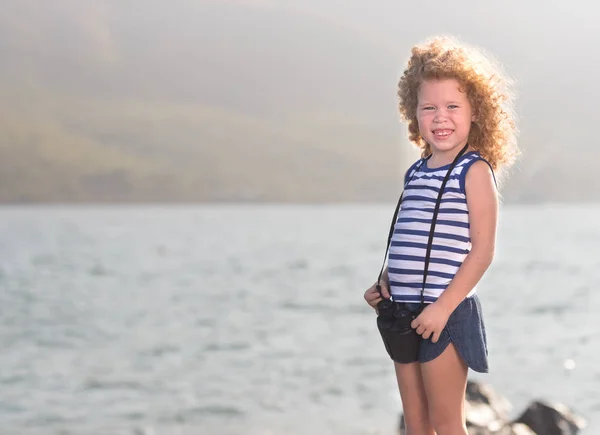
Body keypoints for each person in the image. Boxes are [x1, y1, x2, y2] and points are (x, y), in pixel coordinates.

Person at [363, 36, 519, 435]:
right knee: (416, 425)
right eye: (429, 108)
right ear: (413, 114)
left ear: (475, 112)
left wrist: (442, 308)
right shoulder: (416, 172)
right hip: (402, 313)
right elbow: (407, 236)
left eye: (453, 107)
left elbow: (482, 252)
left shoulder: (475, 171)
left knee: (445, 423)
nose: (441, 117)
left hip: (443, 316)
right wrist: (384, 284)